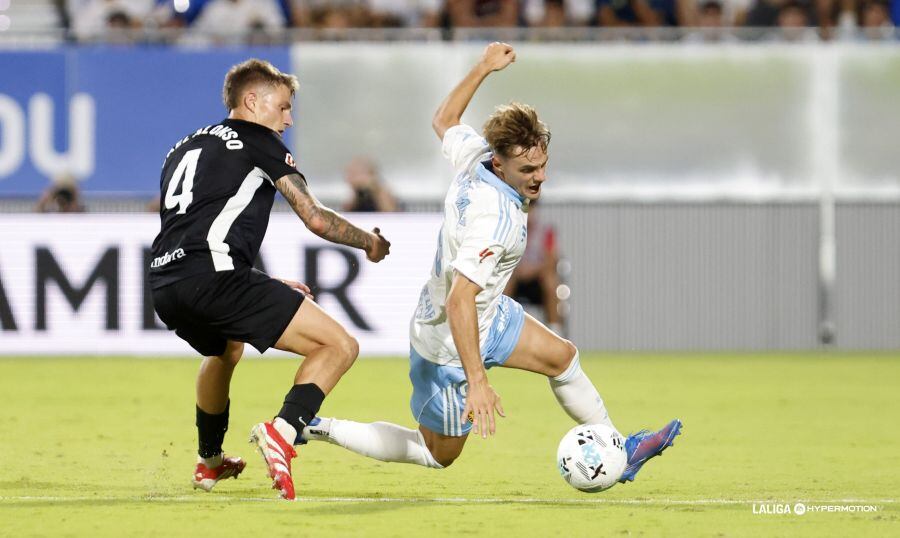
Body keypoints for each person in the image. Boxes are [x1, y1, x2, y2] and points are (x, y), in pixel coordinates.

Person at [298, 43, 681, 484]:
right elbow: (461, 299)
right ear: (501, 164)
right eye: (529, 169)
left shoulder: (477, 156)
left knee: (562, 357)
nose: (540, 176)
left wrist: (482, 67)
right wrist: (477, 380)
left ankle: (619, 449)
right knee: (437, 453)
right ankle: (316, 426)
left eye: (542, 164)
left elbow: (443, 119)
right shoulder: (494, 219)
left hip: (490, 316)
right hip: (448, 344)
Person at [148, 58, 390, 500]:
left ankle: (209, 462)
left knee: (225, 348)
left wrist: (262, 281)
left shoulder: (181, 148)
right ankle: (283, 431)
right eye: (282, 107)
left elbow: (201, 226)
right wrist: (368, 243)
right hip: (214, 278)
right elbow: (315, 218)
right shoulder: (259, 141)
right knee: (339, 345)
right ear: (251, 101)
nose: (288, 118)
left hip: (166, 284)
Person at [503, 202, 565, 336]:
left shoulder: (546, 231)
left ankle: (555, 331)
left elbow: (551, 261)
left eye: (531, 207)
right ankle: (502, 327)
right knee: (504, 279)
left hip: (538, 281)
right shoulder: (510, 231)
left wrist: (530, 270)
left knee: (550, 280)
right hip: (516, 278)